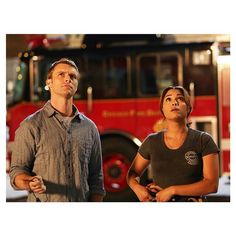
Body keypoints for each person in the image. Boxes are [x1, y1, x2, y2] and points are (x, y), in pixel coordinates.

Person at [10, 58, 105, 202]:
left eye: (72, 76)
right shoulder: (30, 126)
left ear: (77, 85)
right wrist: (29, 182)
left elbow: (96, 179)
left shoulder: (90, 128)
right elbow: (17, 171)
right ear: (49, 83)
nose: (68, 78)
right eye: (61, 74)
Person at [127, 85, 219, 202]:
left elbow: (212, 185)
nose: (174, 103)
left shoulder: (203, 140)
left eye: (180, 99)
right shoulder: (151, 141)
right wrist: (137, 187)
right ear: (162, 109)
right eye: (168, 99)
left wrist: (172, 190)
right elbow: (133, 173)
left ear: (188, 108)